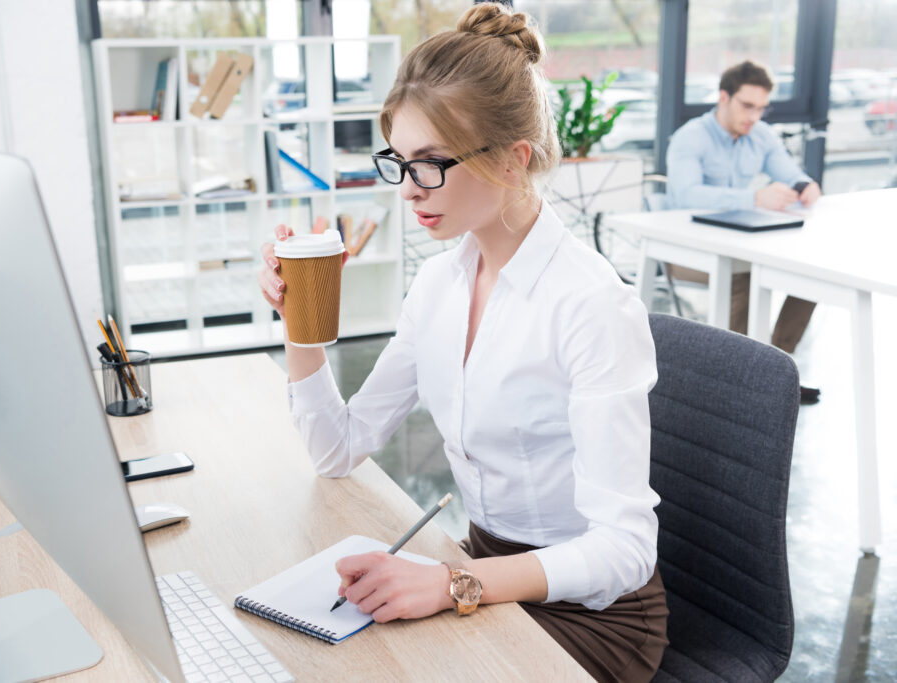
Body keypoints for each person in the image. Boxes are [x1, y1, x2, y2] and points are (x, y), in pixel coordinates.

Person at [258, 4, 667, 681]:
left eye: (432, 164)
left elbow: (623, 550)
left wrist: (453, 584)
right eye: (401, 161)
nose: (409, 191)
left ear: (514, 160)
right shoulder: (440, 285)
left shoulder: (592, 305)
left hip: (597, 612)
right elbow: (338, 448)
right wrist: (295, 315)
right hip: (480, 574)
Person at [666, 60, 822, 402]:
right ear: (724, 97)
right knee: (744, 273)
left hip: (738, 244)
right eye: (747, 106)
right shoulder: (690, 138)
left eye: (761, 109)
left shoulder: (760, 136)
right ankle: (733, 381)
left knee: (812, 271)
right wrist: (754, 197)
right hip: (684, 252)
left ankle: (774, 372)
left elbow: (789, 172)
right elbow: (686, 195)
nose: (754, 116)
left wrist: (805, 185)